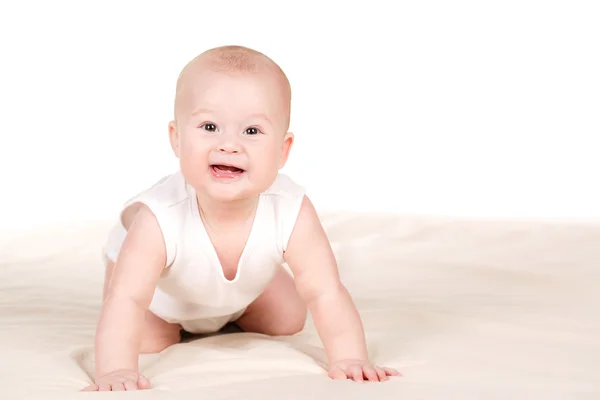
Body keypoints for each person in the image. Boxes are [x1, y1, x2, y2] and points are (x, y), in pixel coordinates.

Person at [83, 45, 401, 392]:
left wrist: (349, 358)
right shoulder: (159, 218)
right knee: (149, 340)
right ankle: (174, 314)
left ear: (283, 150)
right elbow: (128, 299)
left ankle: (238, 299)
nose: (230, 145)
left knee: (288, 319)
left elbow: (326, 290)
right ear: (176, 139)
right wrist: (114, 370)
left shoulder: (291, 208)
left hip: (238, 290)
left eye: (252, 131)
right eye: (209, 126)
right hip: (161, 296)